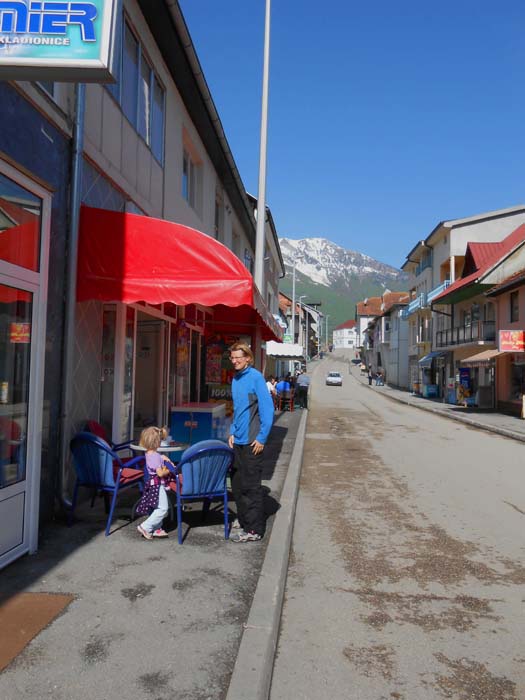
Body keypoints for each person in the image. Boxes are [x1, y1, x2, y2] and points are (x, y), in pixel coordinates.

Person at [228, 342, 274, 543]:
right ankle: (244, 518)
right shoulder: (236, 379)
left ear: (248, 358)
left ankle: (254, 529)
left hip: (252, 441)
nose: (235, 361)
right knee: (237, 484)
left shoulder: (255, 377)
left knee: (251, 486)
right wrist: (231, 431)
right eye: (232, 357)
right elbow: (237, 409)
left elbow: (268, 409)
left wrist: (262, 437)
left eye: (238, 357)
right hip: (237, 440)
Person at [136, 426, 176, 540]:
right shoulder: (155, 456)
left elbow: (156, 461)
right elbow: (160, 473)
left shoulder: (150, 454)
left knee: (156, 506)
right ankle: (146, 526)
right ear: (157, 442)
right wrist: (170, 469)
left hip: (152, 484)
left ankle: (157, 528)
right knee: (163, 508)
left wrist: (162, 458)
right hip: (158, 485)